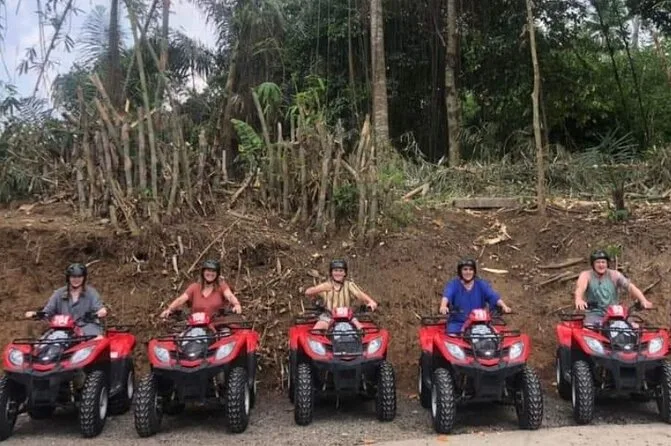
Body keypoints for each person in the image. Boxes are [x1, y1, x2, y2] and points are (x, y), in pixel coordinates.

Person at [25, 263, 107, 338]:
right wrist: (35, 314)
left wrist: (99, 313)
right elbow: (48, 312)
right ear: (68, 278)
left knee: (98, 339)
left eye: (79, 277)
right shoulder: (59, 293)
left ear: (84, 278)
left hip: (87, 327)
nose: (76, 279)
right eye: (73, 277)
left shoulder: (91, 293)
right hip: (63, 329)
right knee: (43, 343)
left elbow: (100, 309)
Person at [574, 250, 652, 325]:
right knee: (590, 329)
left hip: (614, 314)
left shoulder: (614, 275)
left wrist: (643, 300)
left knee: (633, 327)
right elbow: (580, 288)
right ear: (593, 264)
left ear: (607, 263)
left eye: (603, 262)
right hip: (594, 314)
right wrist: (579, 299)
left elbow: (630, 287)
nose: (601, 265)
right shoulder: (586, 275)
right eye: (598, 262)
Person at [440, 258, 512, 334]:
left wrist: (504, 306)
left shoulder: (481, 284)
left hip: (478, 323)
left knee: (493, 337)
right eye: (465, 269)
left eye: (471, 269)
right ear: (460, 271)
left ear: (474, 272)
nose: (468, 272)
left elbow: (493, 296)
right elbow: (447, 295)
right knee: (451, 337)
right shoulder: (454, 284)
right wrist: (443, 306)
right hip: (458, 323)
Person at [304, 259, 378, 330]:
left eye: (341, 271)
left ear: (344, 273)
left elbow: (359, 294)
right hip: (329, 315)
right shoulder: (326, 285)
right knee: (317, 328)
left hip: (347, 316)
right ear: (331, 272)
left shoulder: (349, 285)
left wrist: (370, 301)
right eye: (335, 270)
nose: (338, 273)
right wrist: (320, 289)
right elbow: (307, 292)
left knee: (360, 327)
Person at [160, 259, 242, 319]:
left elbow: (229, 295)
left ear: (217, 274)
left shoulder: (221, 286)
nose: (210, 273)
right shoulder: (194, 287)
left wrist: (236, 304)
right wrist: (169, 309)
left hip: (217, 325)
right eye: (208, 270)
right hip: (197, 326)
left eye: (213, 271)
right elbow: (181, 299)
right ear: (203, 272)